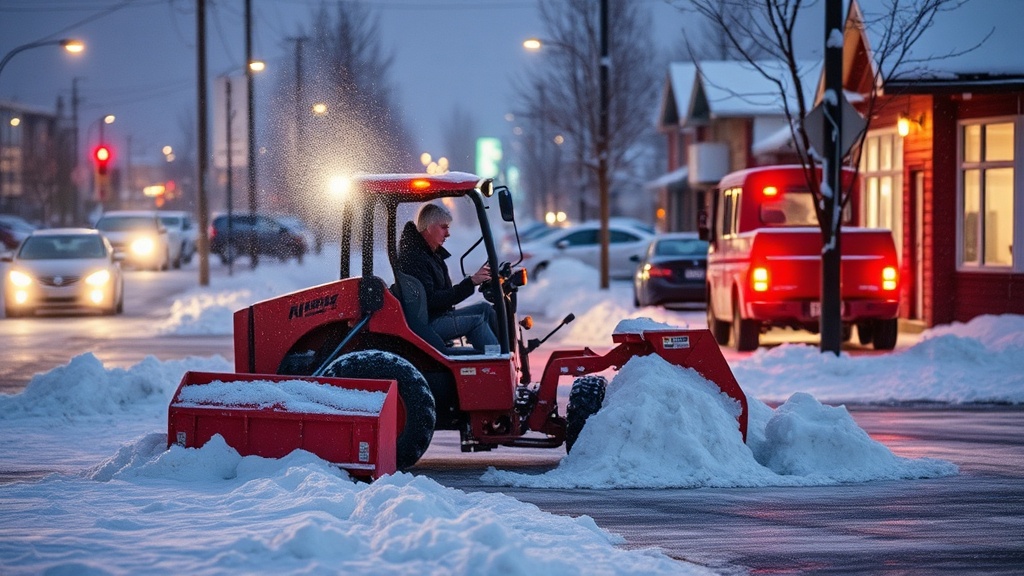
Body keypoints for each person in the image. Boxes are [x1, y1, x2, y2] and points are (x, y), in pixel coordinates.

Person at [397, 203, 499, 353]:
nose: (447, 234)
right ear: (429, 227)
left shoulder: (431, 254)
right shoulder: (415, 258)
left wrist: (473, 282)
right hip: (429, 324)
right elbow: (432, 300)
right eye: (443, 227)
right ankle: (495, 363)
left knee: (485, 309)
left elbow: (444, 295)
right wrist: (470, 283)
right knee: (477, 321)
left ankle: (502, 352)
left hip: (438, 316)